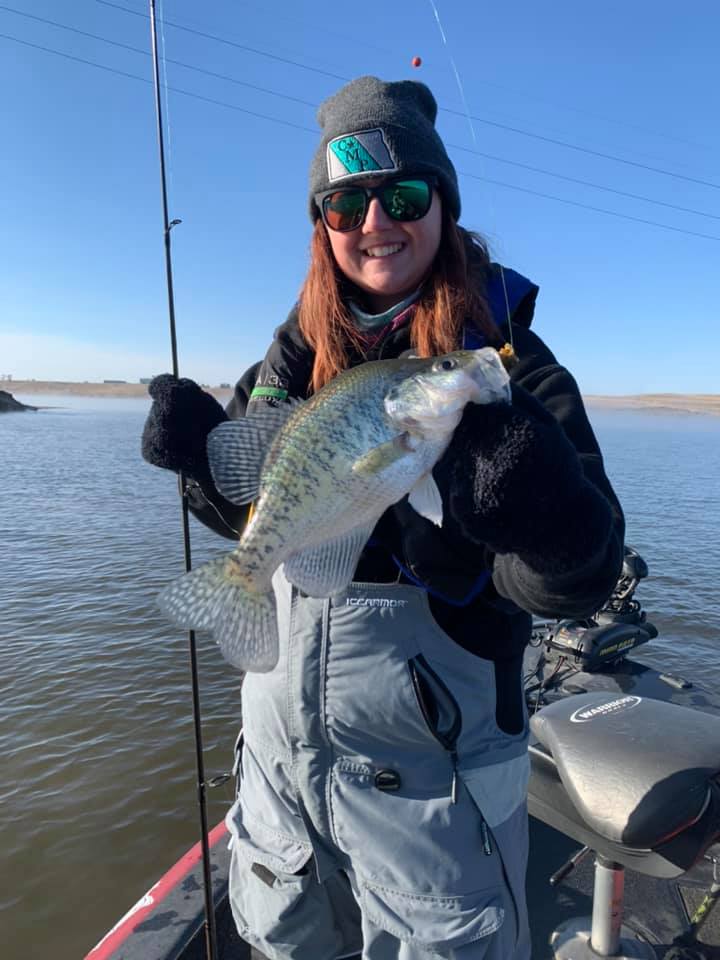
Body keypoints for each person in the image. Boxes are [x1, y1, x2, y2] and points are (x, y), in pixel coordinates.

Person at [142, 76, 625, 960]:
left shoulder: (507, 368)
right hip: (282, 772)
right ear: (321, 224)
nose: (374, 222)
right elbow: (263, 517)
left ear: (442, 203)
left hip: (435, 795)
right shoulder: (287, 363)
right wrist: (202, 479)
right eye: (345, 203)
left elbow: (580, 578)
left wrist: (550, 523)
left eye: (402, 196)